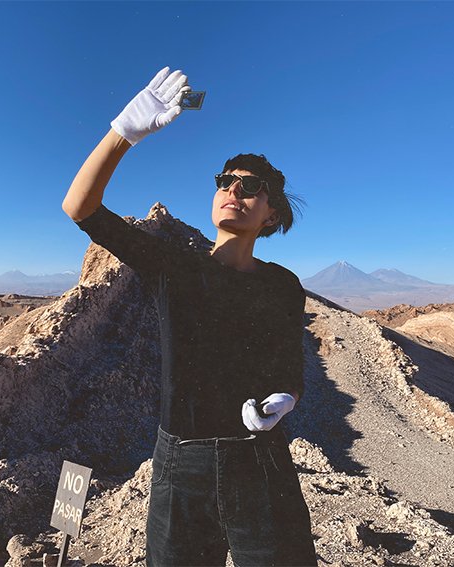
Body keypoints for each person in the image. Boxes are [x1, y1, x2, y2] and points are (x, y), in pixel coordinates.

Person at [62, 66, 317, 567]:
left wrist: (286, 398)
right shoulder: (173, 266)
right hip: (182, 468)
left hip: (261, 461)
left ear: (271, 213)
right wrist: (124, 132)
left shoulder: (282, 285)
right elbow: (80, 208)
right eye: (225, 181)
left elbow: (289, 365)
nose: (233, 191)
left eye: (250, 186)